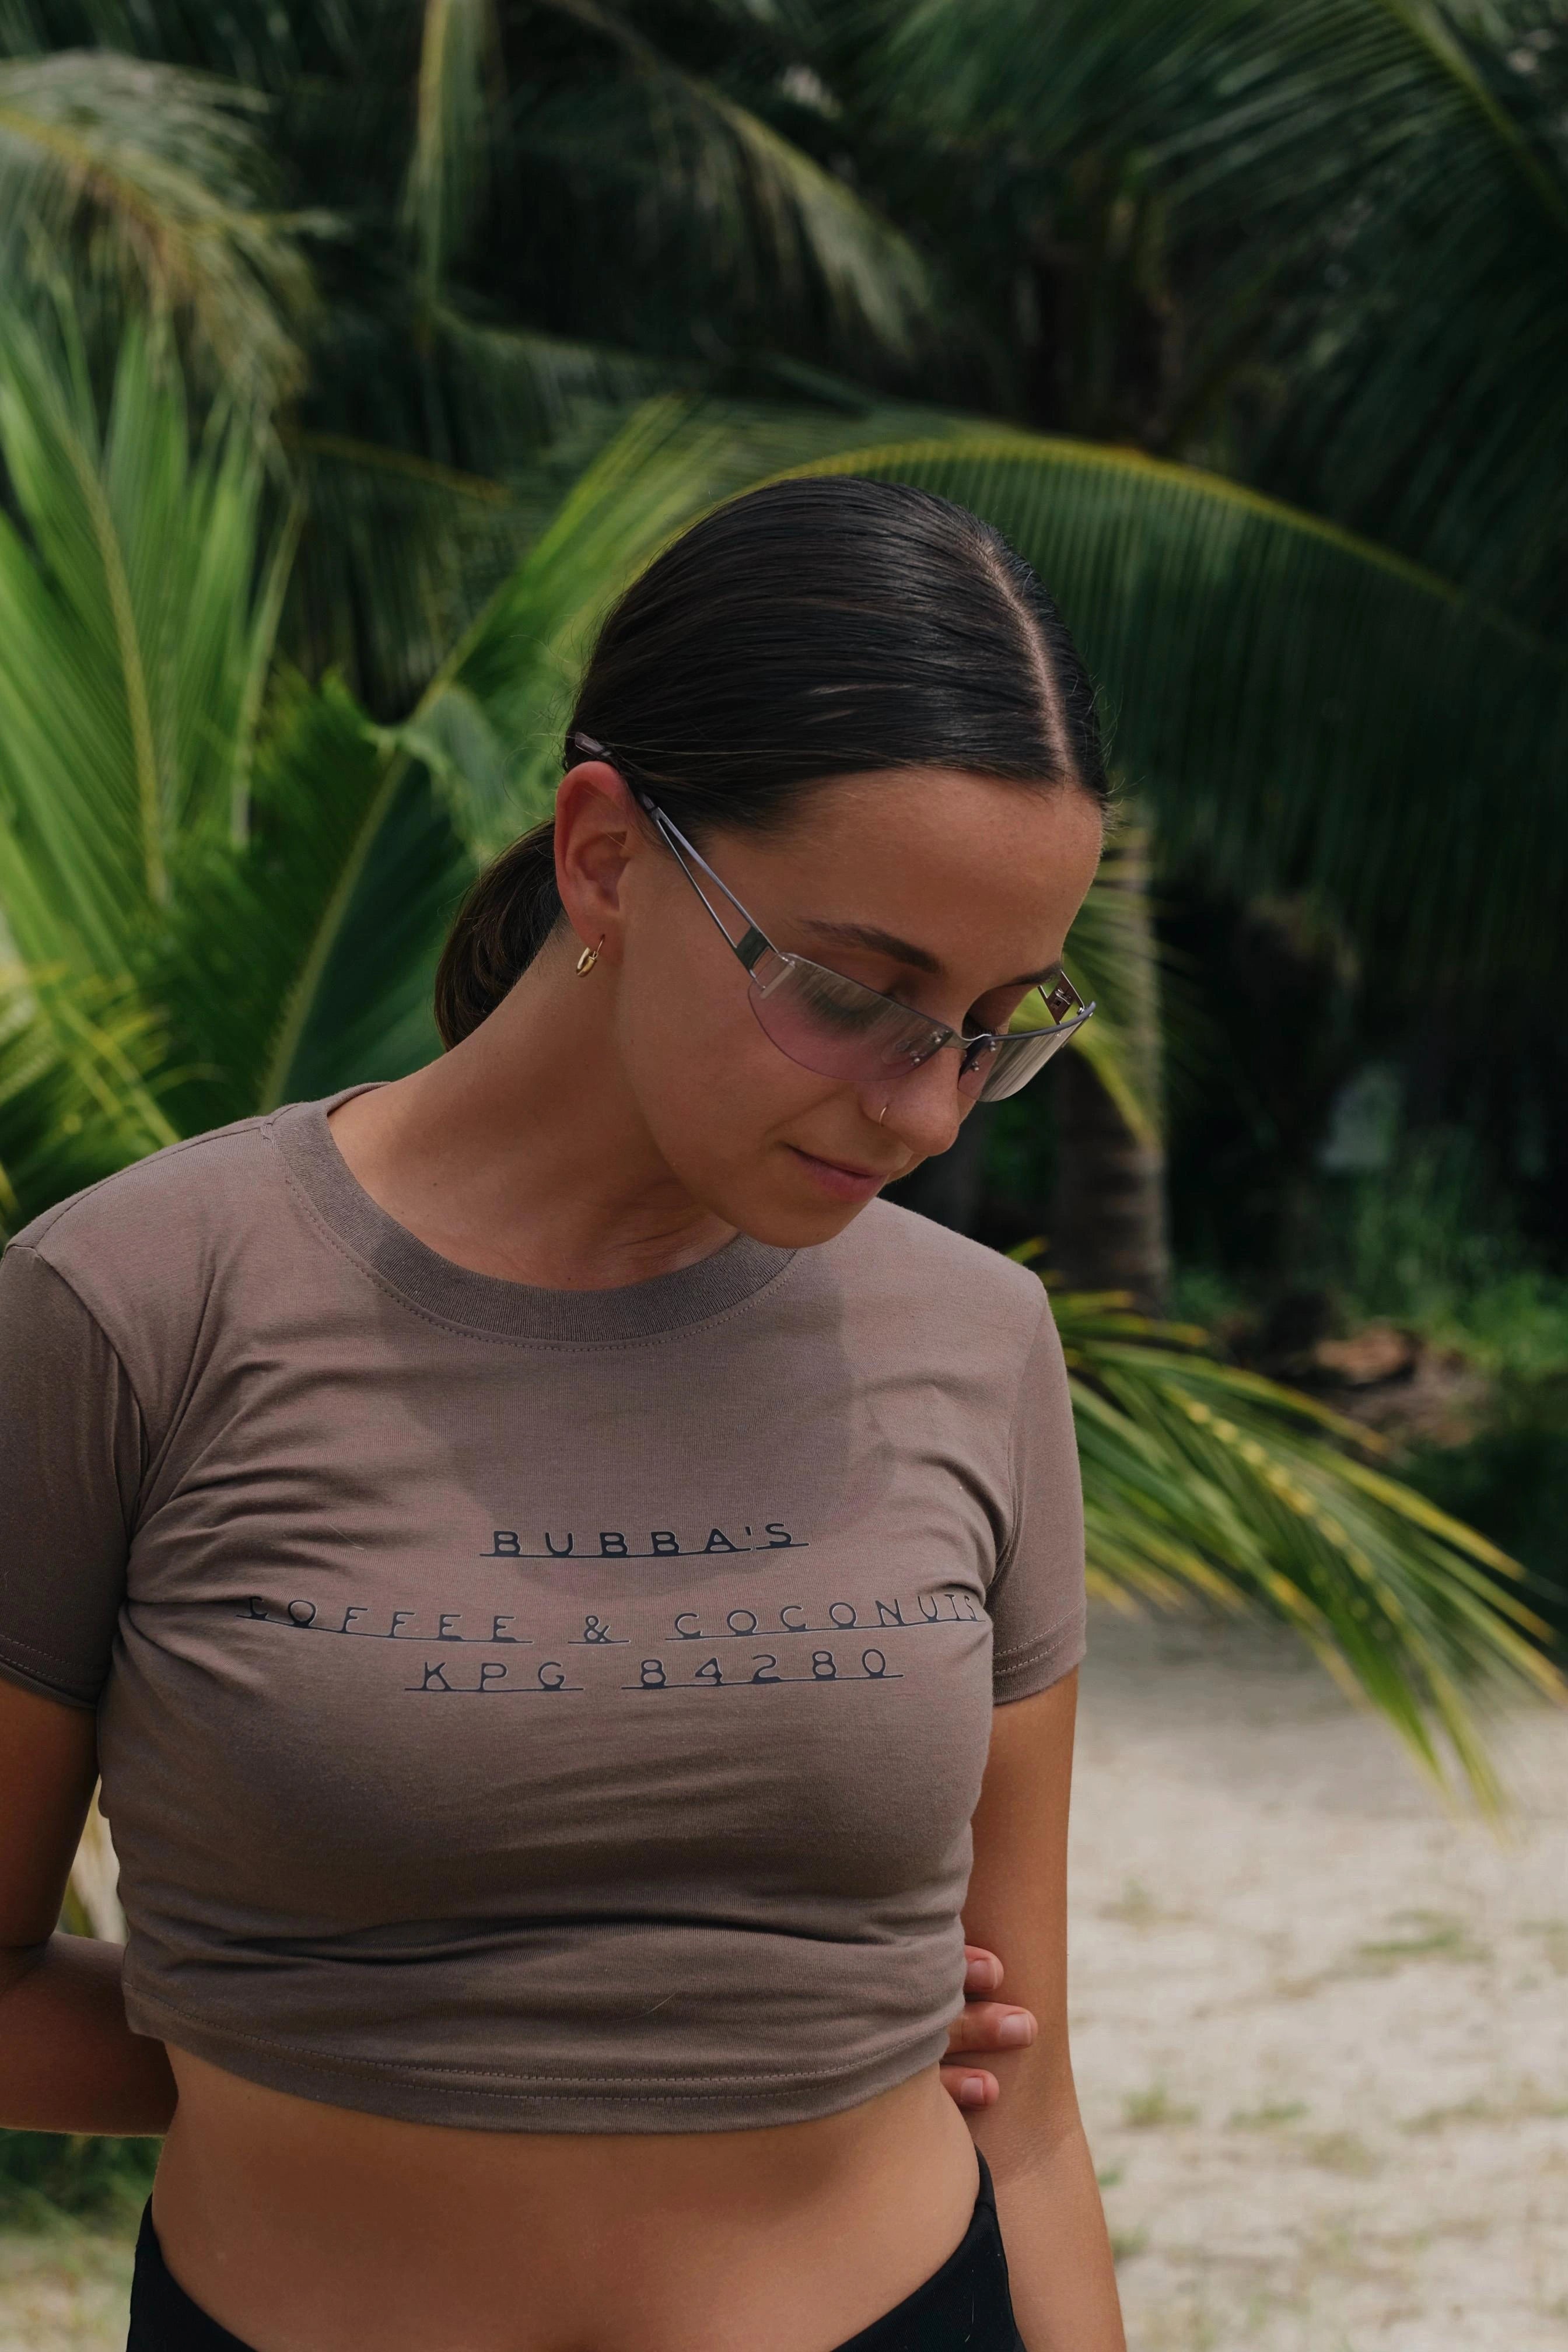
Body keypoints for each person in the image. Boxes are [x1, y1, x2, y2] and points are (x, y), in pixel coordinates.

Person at [0, 476, 1125, 2351]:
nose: (932, 1115)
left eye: (1003, 1020)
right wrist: (312, 2039)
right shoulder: (137, 1303)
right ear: (605, 858)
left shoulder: (977, 1339)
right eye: (860, 993)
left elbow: (1031, 2105)